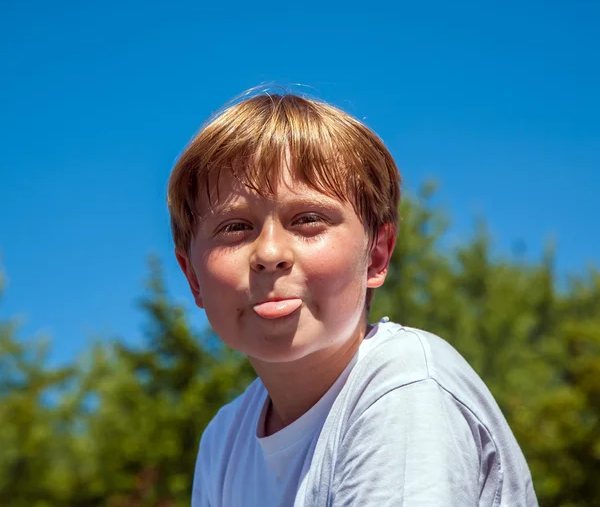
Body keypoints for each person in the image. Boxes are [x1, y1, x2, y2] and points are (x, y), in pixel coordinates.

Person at [168, 91, 538, 506]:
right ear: (193, 278)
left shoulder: (405, 390)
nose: (270, 254)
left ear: (376, 256)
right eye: (235, 227)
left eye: (308, 220)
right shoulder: (223, 441)